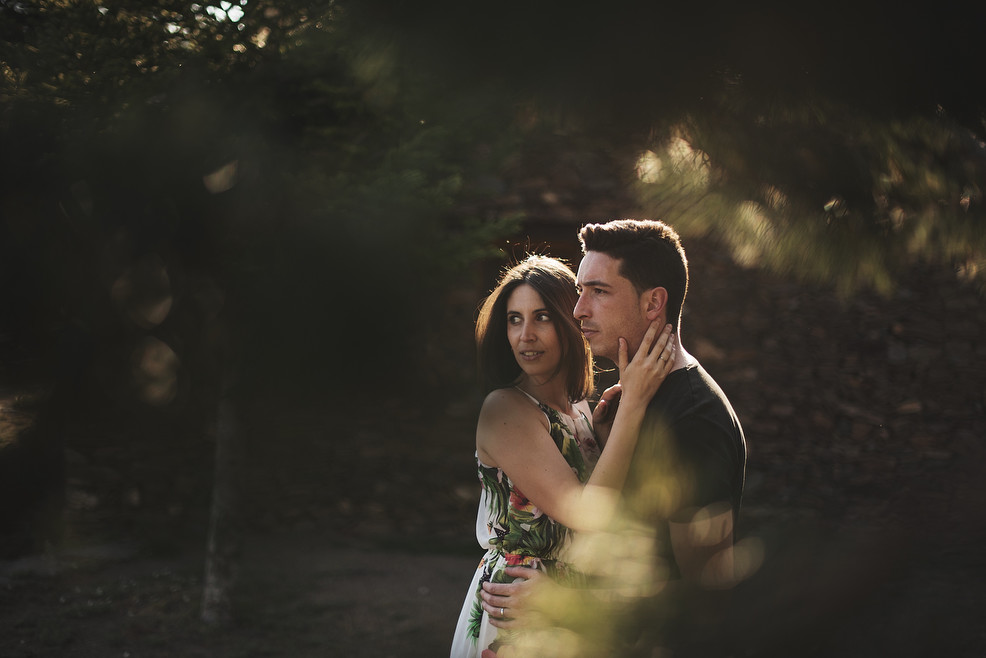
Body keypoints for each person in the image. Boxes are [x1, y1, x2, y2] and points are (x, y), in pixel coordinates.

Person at [479, 220, 748, 656]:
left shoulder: (693, 417)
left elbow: (706, 593)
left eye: (598, 292)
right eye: (580, 291)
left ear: (653, 303)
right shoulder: (626, 405)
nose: (579, 310)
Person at [449, 254, 678, 658]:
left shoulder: (579, 411)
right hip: (520, 614)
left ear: (571, 321)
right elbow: (586, 513)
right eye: (514, 320)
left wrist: (605, 437)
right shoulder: (505, 410)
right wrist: (635, 403)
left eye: (542, 317)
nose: (525, 335)